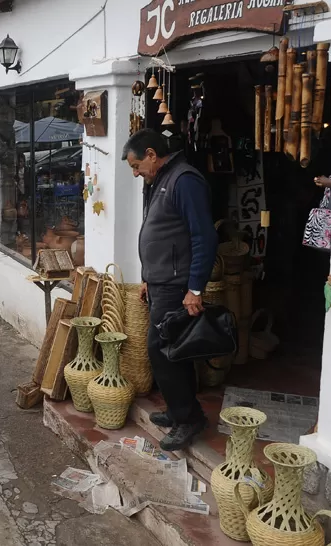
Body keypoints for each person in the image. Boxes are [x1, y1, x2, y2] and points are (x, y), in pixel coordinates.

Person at [121, 128, 218, 452]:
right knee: (174, 351)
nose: (136, 173)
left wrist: (195, 288)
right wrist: (149, 276)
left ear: (151, 154)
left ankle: (188, 419)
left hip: (177, 285)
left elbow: (203, 236)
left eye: (136, 166)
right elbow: (162, 233)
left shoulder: (184, 180)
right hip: (162, 282)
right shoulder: (159, 181)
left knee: (161, 351)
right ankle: (182, 411)